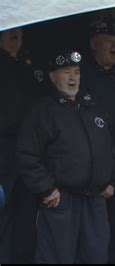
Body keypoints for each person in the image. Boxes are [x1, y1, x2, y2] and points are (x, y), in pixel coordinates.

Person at [16, 50, 115, 264]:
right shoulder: (43, 112)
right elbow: (27, 155)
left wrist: (112, 179)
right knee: (57, 257)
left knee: (96, 256)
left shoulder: (93, 107)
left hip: (95, 199)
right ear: (53, 77)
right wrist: (46, 188)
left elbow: (109, 148)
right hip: (62, 201)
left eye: (76, 72)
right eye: (66, 72)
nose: (73, 78)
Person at [80, 19, 115, 263]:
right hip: (89, 166)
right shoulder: (82, 78)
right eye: (109, 42)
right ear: (94, 45)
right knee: (93, 227)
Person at [0, 27, 40, 263]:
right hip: (3, 155)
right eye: (12, 35)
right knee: (4, 215)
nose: (17, 40)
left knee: (26, 215)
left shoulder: (26, 67)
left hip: (27, 155)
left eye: (20, 35)